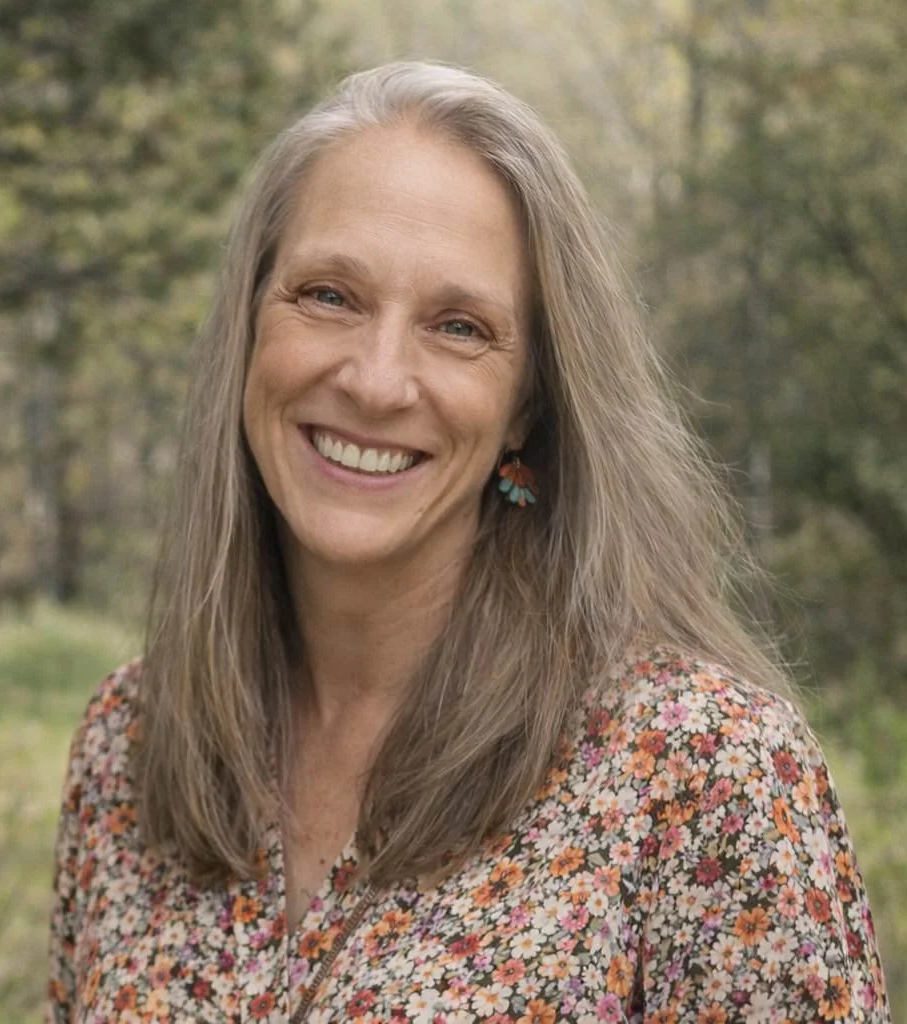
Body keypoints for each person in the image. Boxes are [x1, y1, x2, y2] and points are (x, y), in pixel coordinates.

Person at [46, 62, 890, 1023]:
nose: (376, 379)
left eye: (459, 327)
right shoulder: (130, 743)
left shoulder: (703, 773)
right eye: (328, 296)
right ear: (247, 326)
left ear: (527, 402)